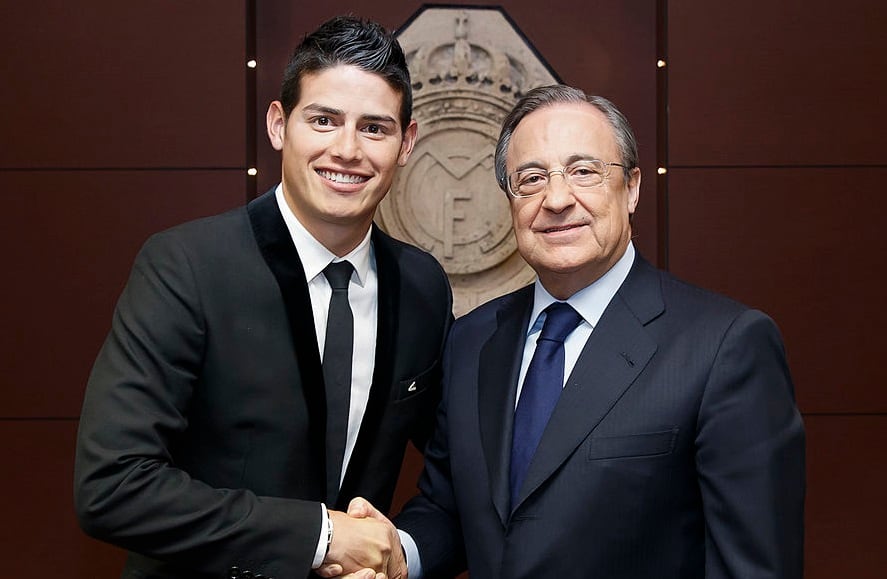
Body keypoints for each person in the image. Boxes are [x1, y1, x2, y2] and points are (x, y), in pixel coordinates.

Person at [332, 84, 806, 579]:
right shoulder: (472, 341)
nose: (556, 199)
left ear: (633, 188)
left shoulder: (725, 346)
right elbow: (451, 506)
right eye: (531, 179)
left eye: (584, 172)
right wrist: (398, 554)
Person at [74, 15, 452, 579]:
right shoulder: (188, 266)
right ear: (279, 125)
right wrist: (321, 538)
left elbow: (458, 473)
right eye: (323, 120)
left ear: (407, 143)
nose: (347, 150)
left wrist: (402, 553)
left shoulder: (422, 285)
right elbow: (113, 485)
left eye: (374, 128)